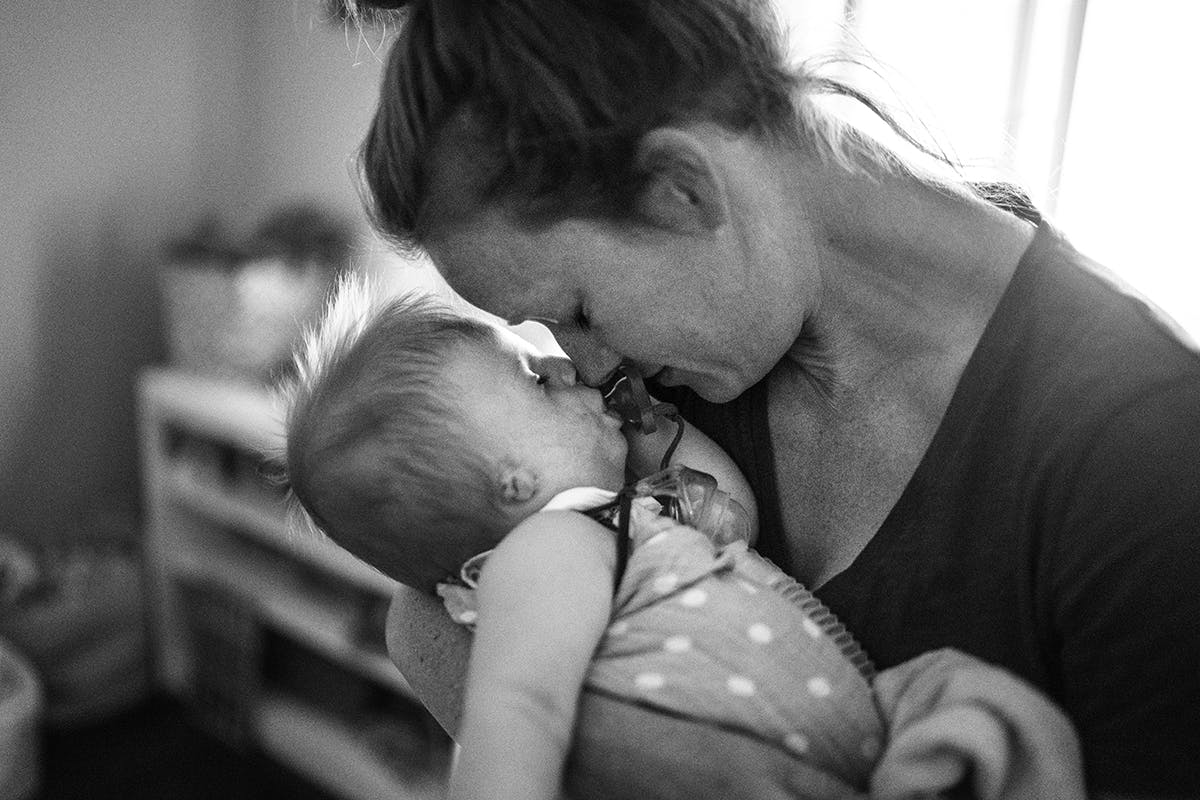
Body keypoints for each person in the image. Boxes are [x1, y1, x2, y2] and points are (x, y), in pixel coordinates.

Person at [344, 1, 1200, 796]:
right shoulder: (666, 385)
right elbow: (426, 609)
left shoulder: (1146, 462)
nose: (584, 365)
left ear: (682, 189)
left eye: (576, 312)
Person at [277, 277, 1084, 800]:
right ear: (513, 479)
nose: (563, 368)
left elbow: (733, 518)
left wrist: (653, 433)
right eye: (530, 377)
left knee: (972, 702)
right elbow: (517, 707)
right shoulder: (544, 555)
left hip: (835, 740)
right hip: (746, 761)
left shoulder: (622, 521)